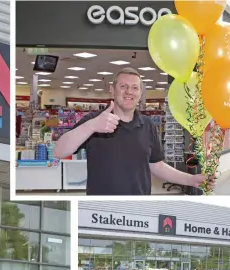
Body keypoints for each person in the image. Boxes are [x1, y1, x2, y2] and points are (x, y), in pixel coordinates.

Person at [53, 67, 216, 195]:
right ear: (112, 89)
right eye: (123, 86)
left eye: (134, 88)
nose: (129, 92)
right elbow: (59, 151)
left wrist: (191, 179)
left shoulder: (148, 125)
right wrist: (92, 126)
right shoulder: (95, 120)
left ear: (140, 93)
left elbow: (157, 166)